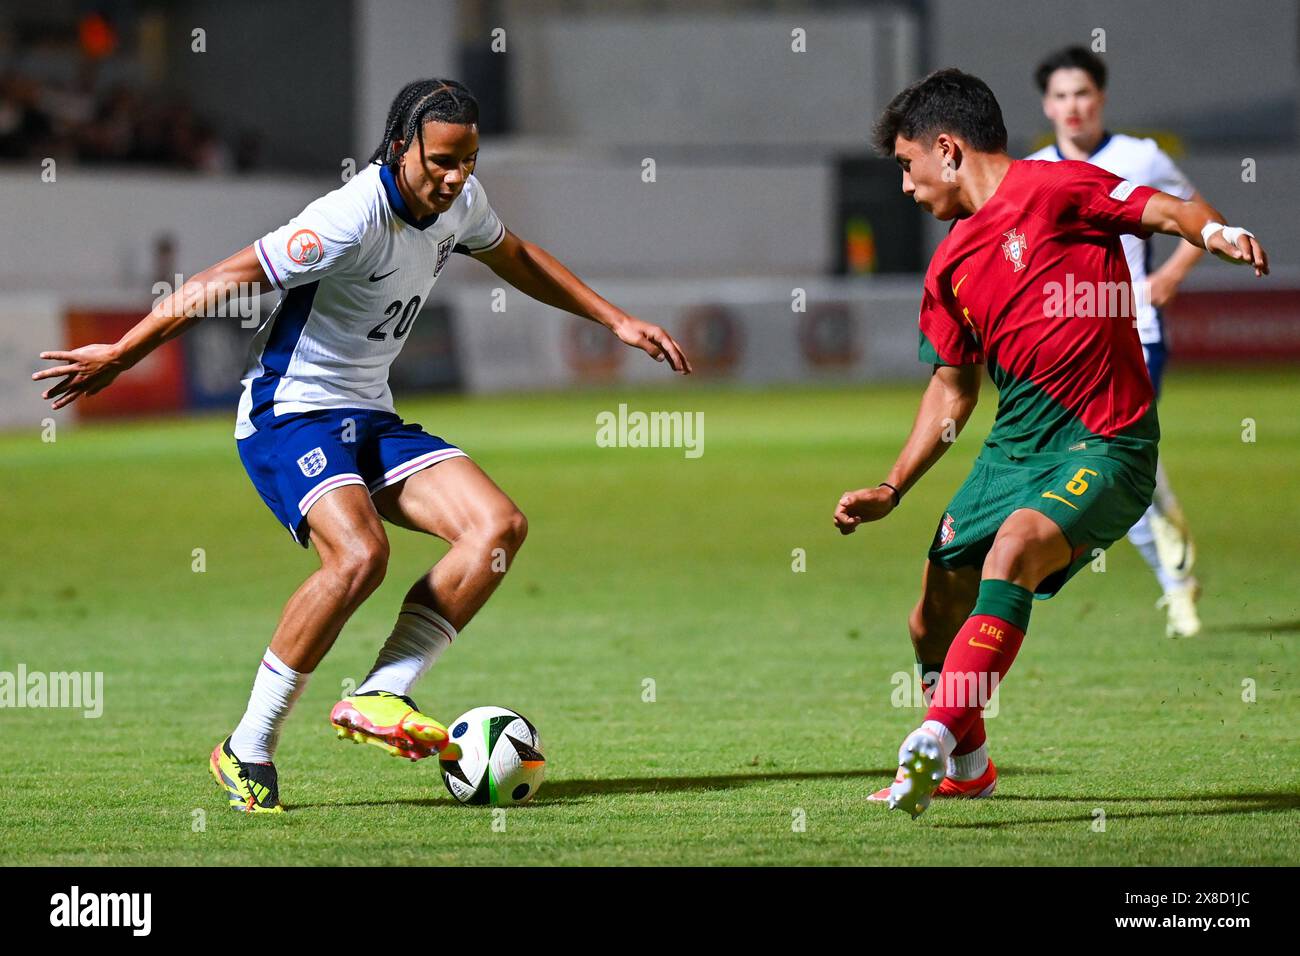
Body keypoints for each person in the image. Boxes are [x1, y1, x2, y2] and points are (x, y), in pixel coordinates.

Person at [33, 78, 692, 813]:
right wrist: (124, 352)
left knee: (497, 527)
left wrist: (618, 321)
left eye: (469, 161)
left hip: (368, 414)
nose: (457, 177)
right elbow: (226, 278)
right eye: (442, 160)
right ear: (400, 146)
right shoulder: (348, 218)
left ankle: (383, 693)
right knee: (360, 554)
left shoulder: (459, 204)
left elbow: (518, 257)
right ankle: (246, 748)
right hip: (291, 413)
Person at [832, 69, 1267, 818]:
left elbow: (1162, 209)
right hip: (1014, 452)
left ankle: (931, 738)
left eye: (906, 166)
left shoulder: (1059, 187)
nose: (904, 186)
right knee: (931, 616)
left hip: (1107, 444)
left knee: (1015, 551)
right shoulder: (948, 266)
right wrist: (892, 486)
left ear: (947, 149)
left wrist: (1215, 232)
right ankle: (970, 764)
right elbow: (952, 391)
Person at [1027, 45, 1205, 637]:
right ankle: (1169, 543)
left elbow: (1198, 217)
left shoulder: (1140, 157)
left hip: (1135, 335)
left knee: (1110, 464)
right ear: (1046, 105)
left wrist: (1170, 276)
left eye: (1082, 93)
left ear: (1100, 97)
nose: (1072, 105)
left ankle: (1177, 588)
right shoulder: (1032, 171)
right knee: (1114, 472)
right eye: (1060, 95)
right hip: (1067, 348)